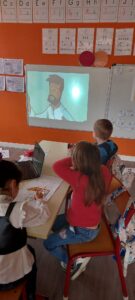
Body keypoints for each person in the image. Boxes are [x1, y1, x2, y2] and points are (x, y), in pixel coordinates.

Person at [43, 141, 112, 280]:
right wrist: (82, 157)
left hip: (82, 231)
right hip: (83, 222)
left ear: (78, 161)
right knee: (49, 224)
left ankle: (71, 261)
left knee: (48, 243)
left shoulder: (79, 179)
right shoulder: (103, 171)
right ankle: (68, 247)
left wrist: (74, 156)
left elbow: (57, 166)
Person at [0, 160, 50, 300]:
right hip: (9, 278)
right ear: (13, 184)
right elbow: (44, 216)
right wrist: (40, 200)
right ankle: (29, 295)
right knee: (31, 253)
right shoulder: (17, 210)